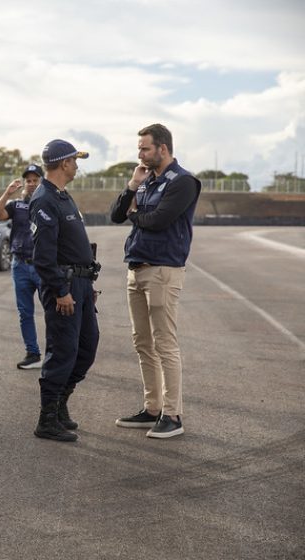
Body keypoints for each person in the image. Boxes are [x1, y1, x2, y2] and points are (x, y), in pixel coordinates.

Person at [110, 123, 201, 439]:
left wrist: (135, 214)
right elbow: (115, 215)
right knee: (142, 342)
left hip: (163, 270)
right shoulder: (146, 180)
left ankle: (172, 415)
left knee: (164, 343)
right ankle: (152, 409)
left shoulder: (183, 181)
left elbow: (159, 221)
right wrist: (132, 186)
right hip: (136, 268)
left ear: (162, 148)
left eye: (145, 148)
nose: (140, 154)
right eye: (139, 148)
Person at [29, 139, 100, 443]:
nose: (77, 166)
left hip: (80, 284)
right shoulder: (44, 199)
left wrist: (86, 283)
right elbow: (43, 257)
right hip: (64, 285)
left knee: (86, 347)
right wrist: (61, 290)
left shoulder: (62, 196)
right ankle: (47, 419)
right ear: (64, 163)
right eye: (74, 161)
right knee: (62, 351)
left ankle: (60, 405)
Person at [0, 163, 44, 370]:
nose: (31, 183)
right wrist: (7, 193)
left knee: (52, 312)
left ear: (41, 182)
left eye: (35, 180)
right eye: (28, 180)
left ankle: (55, 355)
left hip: (43, 266)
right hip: (20, 265)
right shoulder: (16, 205)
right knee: (25, 312)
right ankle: (33, 353)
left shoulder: (48, 203)